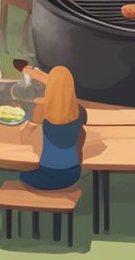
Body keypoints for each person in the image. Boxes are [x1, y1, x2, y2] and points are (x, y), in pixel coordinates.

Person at [18, 65, 88, 193]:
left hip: (47, 174)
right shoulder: (81, 112)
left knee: (22, 175)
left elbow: (24, 138)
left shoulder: (42, 110)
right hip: (73, 175)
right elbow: (80, 138)